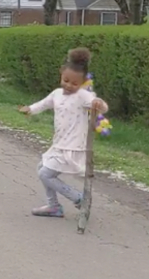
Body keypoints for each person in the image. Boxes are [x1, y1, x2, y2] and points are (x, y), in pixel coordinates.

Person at [18, 47, 109, 218]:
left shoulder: (82, 96)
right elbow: (43, 104)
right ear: (61, 74)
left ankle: (78, 198)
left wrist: (98, 104)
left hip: (73, 147)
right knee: (41, 168)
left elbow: (101, 105)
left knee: (45, 173)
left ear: (82, 83)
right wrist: (29, 109)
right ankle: (54, 206)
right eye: (66, 80)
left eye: (74, 84)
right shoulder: (57, 94)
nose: (69, 86)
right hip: (59, 143)